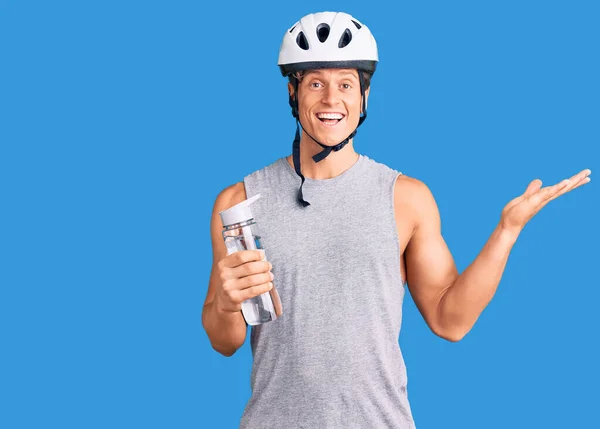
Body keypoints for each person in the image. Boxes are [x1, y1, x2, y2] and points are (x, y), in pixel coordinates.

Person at [202, 11, 591, 429]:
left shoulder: (406, 199)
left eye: (346, 85)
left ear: (365, 96)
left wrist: (507, 232)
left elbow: (450, 320)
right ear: (293, 93)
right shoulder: (240, 202)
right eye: (316, 83)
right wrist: (226, 304)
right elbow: (225, 342)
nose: (332, 99)